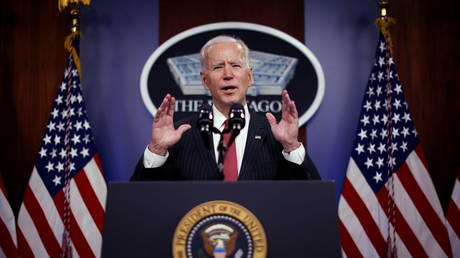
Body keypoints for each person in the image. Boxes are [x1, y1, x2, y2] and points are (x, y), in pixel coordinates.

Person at [131, 35, 320, 181]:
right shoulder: (180, 135)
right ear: (205, 81)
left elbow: (310, 196)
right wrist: (157, 149)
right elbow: (142, 199)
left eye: (236, 65)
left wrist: (291, 146)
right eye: (218, 67)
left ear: (250, 76)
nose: (228, 74)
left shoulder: (275, 134)